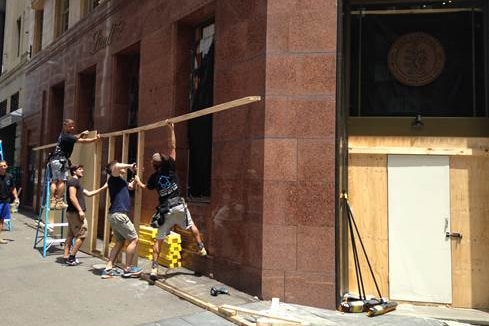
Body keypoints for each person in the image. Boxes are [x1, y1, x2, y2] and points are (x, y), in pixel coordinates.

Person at [133, 122, 206, 281]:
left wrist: (137, 180)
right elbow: (172, 146)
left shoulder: (153, 177)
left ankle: (153, 270)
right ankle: (201, 247)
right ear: (164, 162)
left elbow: (145, 187)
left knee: (159, 239)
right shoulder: (170, 168)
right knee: (191, 225)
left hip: (165, 210)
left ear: (153, 165)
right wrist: (171, 128)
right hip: (178, 205)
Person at [101, 160, 142, 279]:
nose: (121, 166)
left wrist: (135, 177)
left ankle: (108, 268)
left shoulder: (120, 181)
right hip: (119, 215)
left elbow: (130, 187)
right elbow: (116, 166)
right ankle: (128, 268)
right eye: (118, 165)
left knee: (120, 241)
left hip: (114, 215)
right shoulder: (113, 178)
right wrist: (130, 166)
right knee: (134, 239)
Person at [49, 119, 100, 210]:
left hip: (54, 160)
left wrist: (81, 134)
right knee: (61, 181)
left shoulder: (63, 135)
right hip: (61, 160)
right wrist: (95, 139)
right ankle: (59, 201)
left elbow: (74, 139)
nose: (72, 128)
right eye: (70, 126)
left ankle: (52, 201)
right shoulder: (67, 136)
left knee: (54, 181)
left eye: (73, 126)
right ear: (65, 126)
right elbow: (81, 141)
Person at [64, 165, 107, 266]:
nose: (82, 170)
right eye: (79, 169)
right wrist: (80, 211)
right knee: (82, 235)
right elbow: (72, 197)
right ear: (74, 172)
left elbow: (89, 193)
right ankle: (71, 258)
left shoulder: (77, 183)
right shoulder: (73, 182)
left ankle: (66, 255)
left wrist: (104, 188)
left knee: (70, 235)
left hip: (72, 213)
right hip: (75, 213)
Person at [0, 160, 18, 244]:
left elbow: (13, 188)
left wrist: (16, 198)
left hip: (5, 201)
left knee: (1, 220)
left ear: (7, 166)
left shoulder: (9, 177)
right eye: (1, 166)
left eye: (4, 166)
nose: (2, 167)